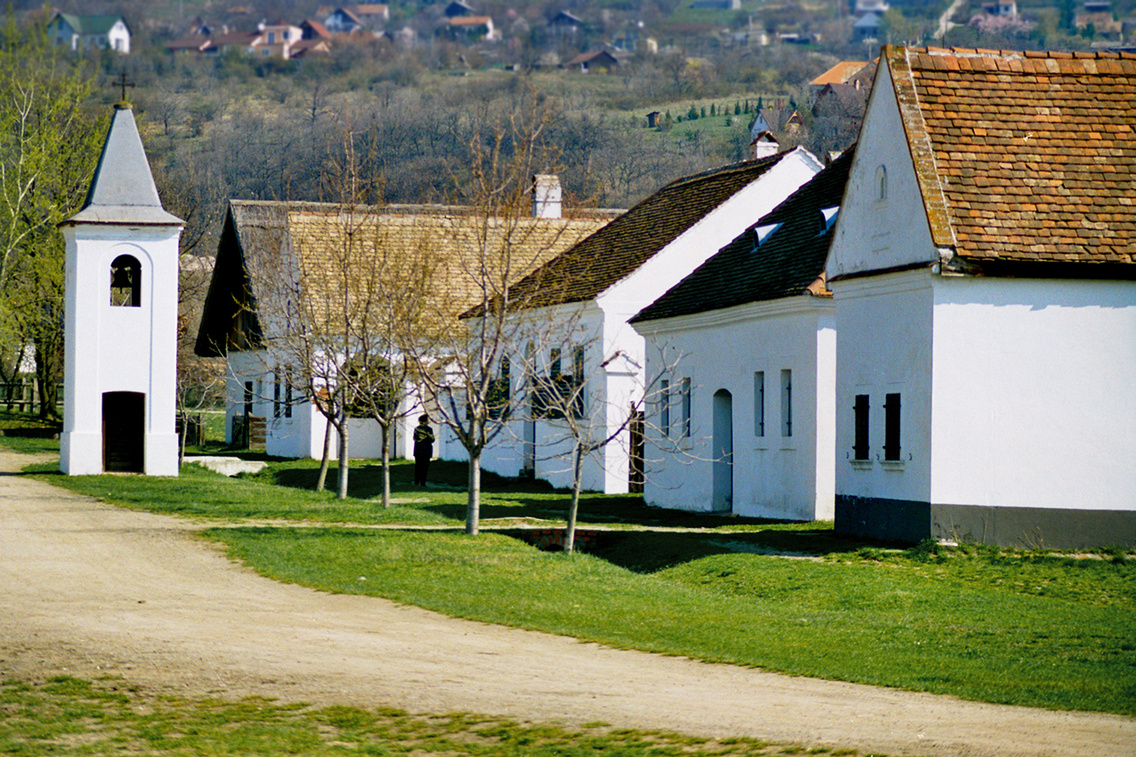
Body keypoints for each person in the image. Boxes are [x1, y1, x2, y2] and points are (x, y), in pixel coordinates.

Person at [413, 414, 435, 486]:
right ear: (426, 421)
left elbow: (415, 438)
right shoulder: (429, 429)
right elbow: (432, 439)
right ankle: (423, 482)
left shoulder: (416, 429)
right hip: (426, 450)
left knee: (417, 467)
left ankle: (416, 481)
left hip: (418, 450)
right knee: (425, 467)